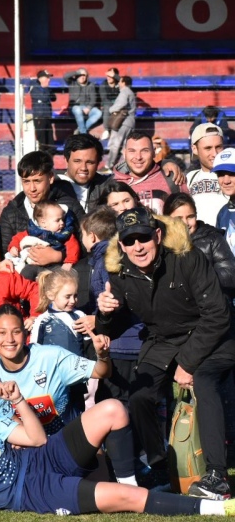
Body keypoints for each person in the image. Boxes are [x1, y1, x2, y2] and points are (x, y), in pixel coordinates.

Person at [0, 377, 235, 518]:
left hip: (42, 456)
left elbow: (37, 440)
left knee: (113, 410)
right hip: (34, 492)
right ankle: (216, 509)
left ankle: (128, 480)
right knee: (128, 501)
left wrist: (18, 400)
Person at [97, 207, 235, 498]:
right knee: (140, 397)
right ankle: (161, 469)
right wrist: (106, 313)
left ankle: (216, 476)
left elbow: (218, 315)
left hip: (211, 334)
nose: (138, 246)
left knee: (205, 381)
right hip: (162, 340)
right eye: (130, 240)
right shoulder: (119, 272)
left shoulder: (188, 258)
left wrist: (187, 363)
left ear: (157, 235)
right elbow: (116, 325)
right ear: (121, 244)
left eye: (143, 238)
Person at [0, 305, 110, 440]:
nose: (10, 339)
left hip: (69, 439)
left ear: (26, 334)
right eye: (2, 333)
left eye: (16, 332)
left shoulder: (51, 356)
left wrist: (102, 355)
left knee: (113, 409)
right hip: (29, 448)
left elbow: (101, 372)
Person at [80, 206, 142, 405]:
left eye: (82, 234)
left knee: (116, 404)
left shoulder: (108, 260)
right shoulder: (108, 257)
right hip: (129, 344)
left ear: (92, 236)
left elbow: (113, 299)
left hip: (120, 345)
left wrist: (96, 318)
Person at [0, 151, 86, 266]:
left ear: (50, 178)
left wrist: (59, 256)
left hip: (62, 278)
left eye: (37, 181)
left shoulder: (70, 208)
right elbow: (3, 252)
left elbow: (87, 248)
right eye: (26, 182)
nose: (32, 188)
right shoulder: (11, 212)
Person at [164, 193, 235, 298]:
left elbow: (230, 274)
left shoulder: (212, 239)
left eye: (190, 217)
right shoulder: (160, 242)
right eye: (178, 218)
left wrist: (199, 277)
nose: (185, 223)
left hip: (211, 304)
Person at [113, 131, 187, 214]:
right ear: (124, 153)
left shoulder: (173, 178)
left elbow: (187, 214)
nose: (138, 157)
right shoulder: (113, 184)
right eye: (132, 151)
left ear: (154, 152)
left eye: (144, 151)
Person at [6, 200, 80, 276]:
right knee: (26, 273)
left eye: (62, 219)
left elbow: (73, 246)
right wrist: (14, 247)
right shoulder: (33, 231)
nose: (62, 223)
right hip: (33, 264)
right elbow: (18, 238)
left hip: (54, 265)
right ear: (43, 222)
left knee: (57, 277)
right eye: (57, 220)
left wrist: (69, 262)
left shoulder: (64, 234)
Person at [30, 269, 89, 357]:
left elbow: (88, 345)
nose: (73, 301)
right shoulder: (42, 320)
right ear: (51, 295)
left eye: (75, 295)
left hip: (78, 369)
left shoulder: (80, 316)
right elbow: (34, 350)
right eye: (67, 296)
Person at [59, 133, 113, 213]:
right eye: (77, 161)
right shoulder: (51, 188)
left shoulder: (109, 187)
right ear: (66, 161)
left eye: (90, 162)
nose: (83, 168)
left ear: (98, 163)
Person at [186, 122, 227, 225]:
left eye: (218, 147)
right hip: (198, 238)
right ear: (195, 149)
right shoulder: (190, 177)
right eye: (208, 148)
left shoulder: (232, 175)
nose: (215, 153)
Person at [106, 76, 137, 166]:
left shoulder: (124, 92)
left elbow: (121, 104)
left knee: (115, 144)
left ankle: (109, 165)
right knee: (125, 146)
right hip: (130, 122)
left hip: (122, 122)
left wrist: (111, 109)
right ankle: (127, 166)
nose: (118, 83)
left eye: (120, 81)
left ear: (123, 82)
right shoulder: (130, 92)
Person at [64, 68, 100, 135]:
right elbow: (65, 76)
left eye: (84, 75)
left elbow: (93, 99)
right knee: (77, 109)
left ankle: (80, 129)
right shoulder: (72, 83)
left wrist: (88, 107)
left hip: (86, 107)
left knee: (98, 113)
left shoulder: (91, 85)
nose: (82, 77)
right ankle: (83, 133)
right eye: (81, 75)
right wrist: (77, 73)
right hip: (74, 107)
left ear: (87, 77)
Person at [29, 69, 56, 153]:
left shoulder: (47, 89)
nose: (49, 80)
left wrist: (47, 91)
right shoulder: (35, 89)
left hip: (47, 116)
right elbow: (45, 98)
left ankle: (50, 154)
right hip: (40, 117)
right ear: (40, 79)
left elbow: (54, 98)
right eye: (47, 77)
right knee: (42, 140)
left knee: (50, 139)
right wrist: (47, 92)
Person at [98, 67, 120, 141]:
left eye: (111, 76)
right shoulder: (103, 85)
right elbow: (104, 99)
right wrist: (114, 108)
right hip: (108, 106)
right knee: (107, 107)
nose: (109, 78)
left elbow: (127, 84)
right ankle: (107, 130)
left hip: (119, 106)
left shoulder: (120, 84)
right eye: (108, 76)